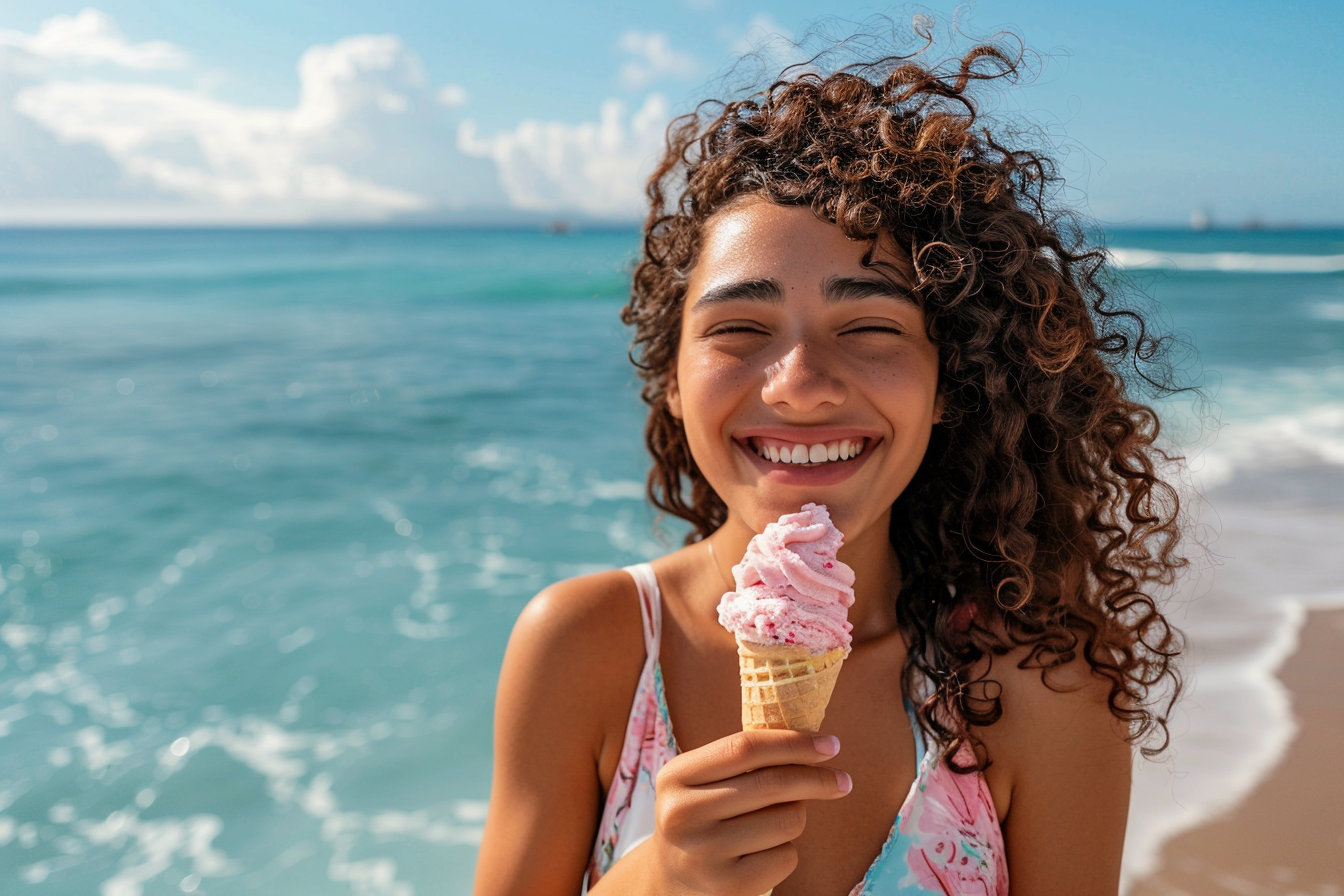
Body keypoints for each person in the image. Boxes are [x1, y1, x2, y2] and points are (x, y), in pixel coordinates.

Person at [473, 31, 1184, 896]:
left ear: (948, 384)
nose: (802, 385)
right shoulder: (587, 647)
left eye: (872, 329)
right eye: (740, 329)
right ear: (670, 380)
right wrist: (657, 881)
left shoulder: (1044, 690)